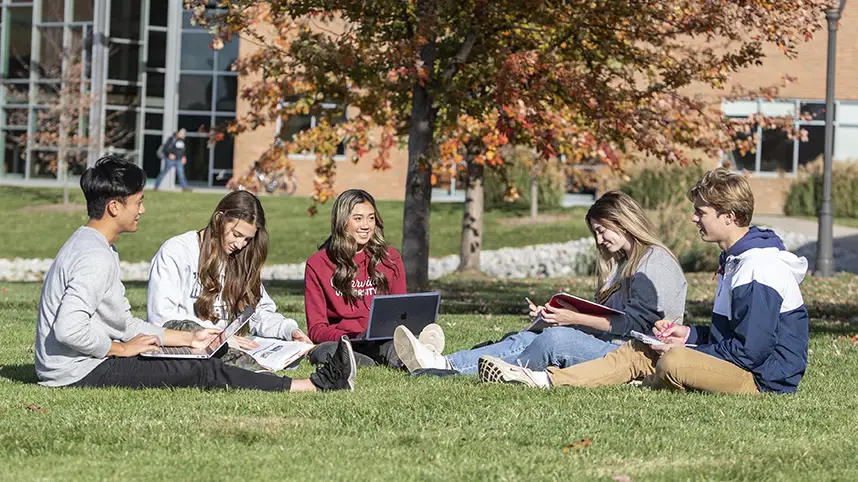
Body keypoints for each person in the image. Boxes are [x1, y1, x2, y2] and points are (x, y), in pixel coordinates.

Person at [34, 156, 355, 392]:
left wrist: (190, 338)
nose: (142, 210)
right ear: (115, 207)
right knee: (200, 371)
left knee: (193, 359)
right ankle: (312, 385)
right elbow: (69, 329)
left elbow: (125, 324)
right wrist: (120, 349)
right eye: (138, 202)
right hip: (76, 370)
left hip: (84, 363)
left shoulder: (95, 245)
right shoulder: (94, 256)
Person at [479, 168, 809, 395]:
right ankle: (542, 380)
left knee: (673, 360)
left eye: (701, 212)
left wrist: (687, 348)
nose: (693, 218)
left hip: (763, 381)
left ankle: (646, 378)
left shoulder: (758, 267)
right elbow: (734, 335)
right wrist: (688, 334)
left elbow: (751, 351)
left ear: (729, 216)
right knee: (646, 349)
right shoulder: (736, 261)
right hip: (744, 365)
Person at [394, 191, 687, 375]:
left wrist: (573, 319)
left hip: (634, 355)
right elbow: (608, 316)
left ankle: (456, 367)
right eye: (595, 233)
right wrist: (559, 314)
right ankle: (446, 363)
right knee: (531, 335)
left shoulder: (655, 262)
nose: (599, 240)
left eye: (602, 231)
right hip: (609, 345)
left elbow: (634, 325)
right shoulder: (623, 263)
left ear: (623, 222)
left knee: (555, 340)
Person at [147, 190, 311, 369]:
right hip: (190, 349)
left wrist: (289, 330)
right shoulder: (177, 252)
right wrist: (222, 338)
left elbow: (259, 312)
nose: (240, 245)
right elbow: (162, 318)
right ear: (219, 219)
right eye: (236, 235)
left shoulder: (241, 258)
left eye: (247, 239)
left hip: (231, 347)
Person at [303, 188, 443, 368]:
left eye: (371, 218)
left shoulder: (390, 258)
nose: (366, 226)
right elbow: (316, 329)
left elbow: (401, 314)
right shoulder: (318, 264)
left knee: (396, 346)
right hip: (343, 342)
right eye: (358, 219)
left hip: (381, 340)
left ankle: (421, 354)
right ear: (342, 222)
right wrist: (352, 337)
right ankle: (368, 361)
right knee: (325, 351)